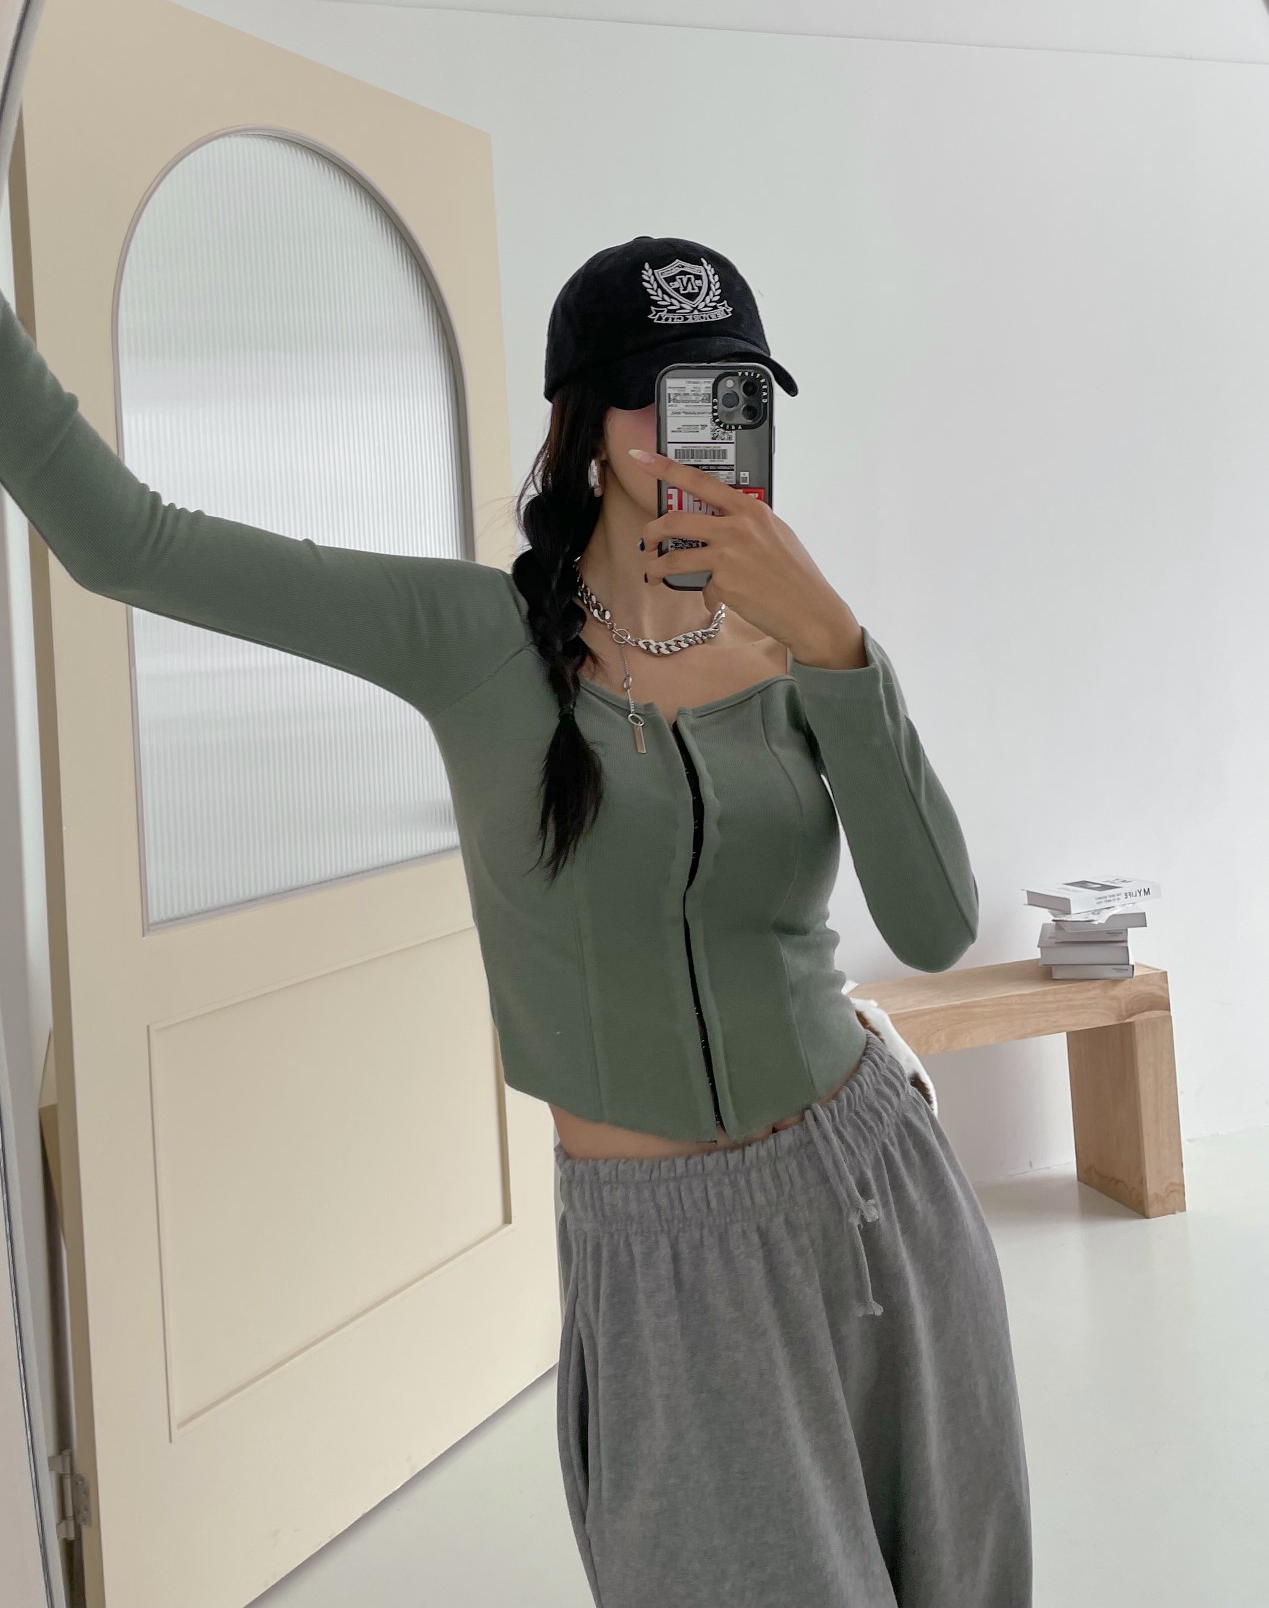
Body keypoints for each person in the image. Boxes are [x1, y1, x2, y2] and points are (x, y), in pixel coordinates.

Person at [0, 234, 1031, 1607]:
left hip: (880, 1188)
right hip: (670, 1255)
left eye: (737, 393)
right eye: (666, 396)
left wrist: (841, 651)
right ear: (589, 430)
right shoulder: (468, 636)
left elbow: (935, 923)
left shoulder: (799, 650)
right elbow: (123, 540)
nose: (710, 432)